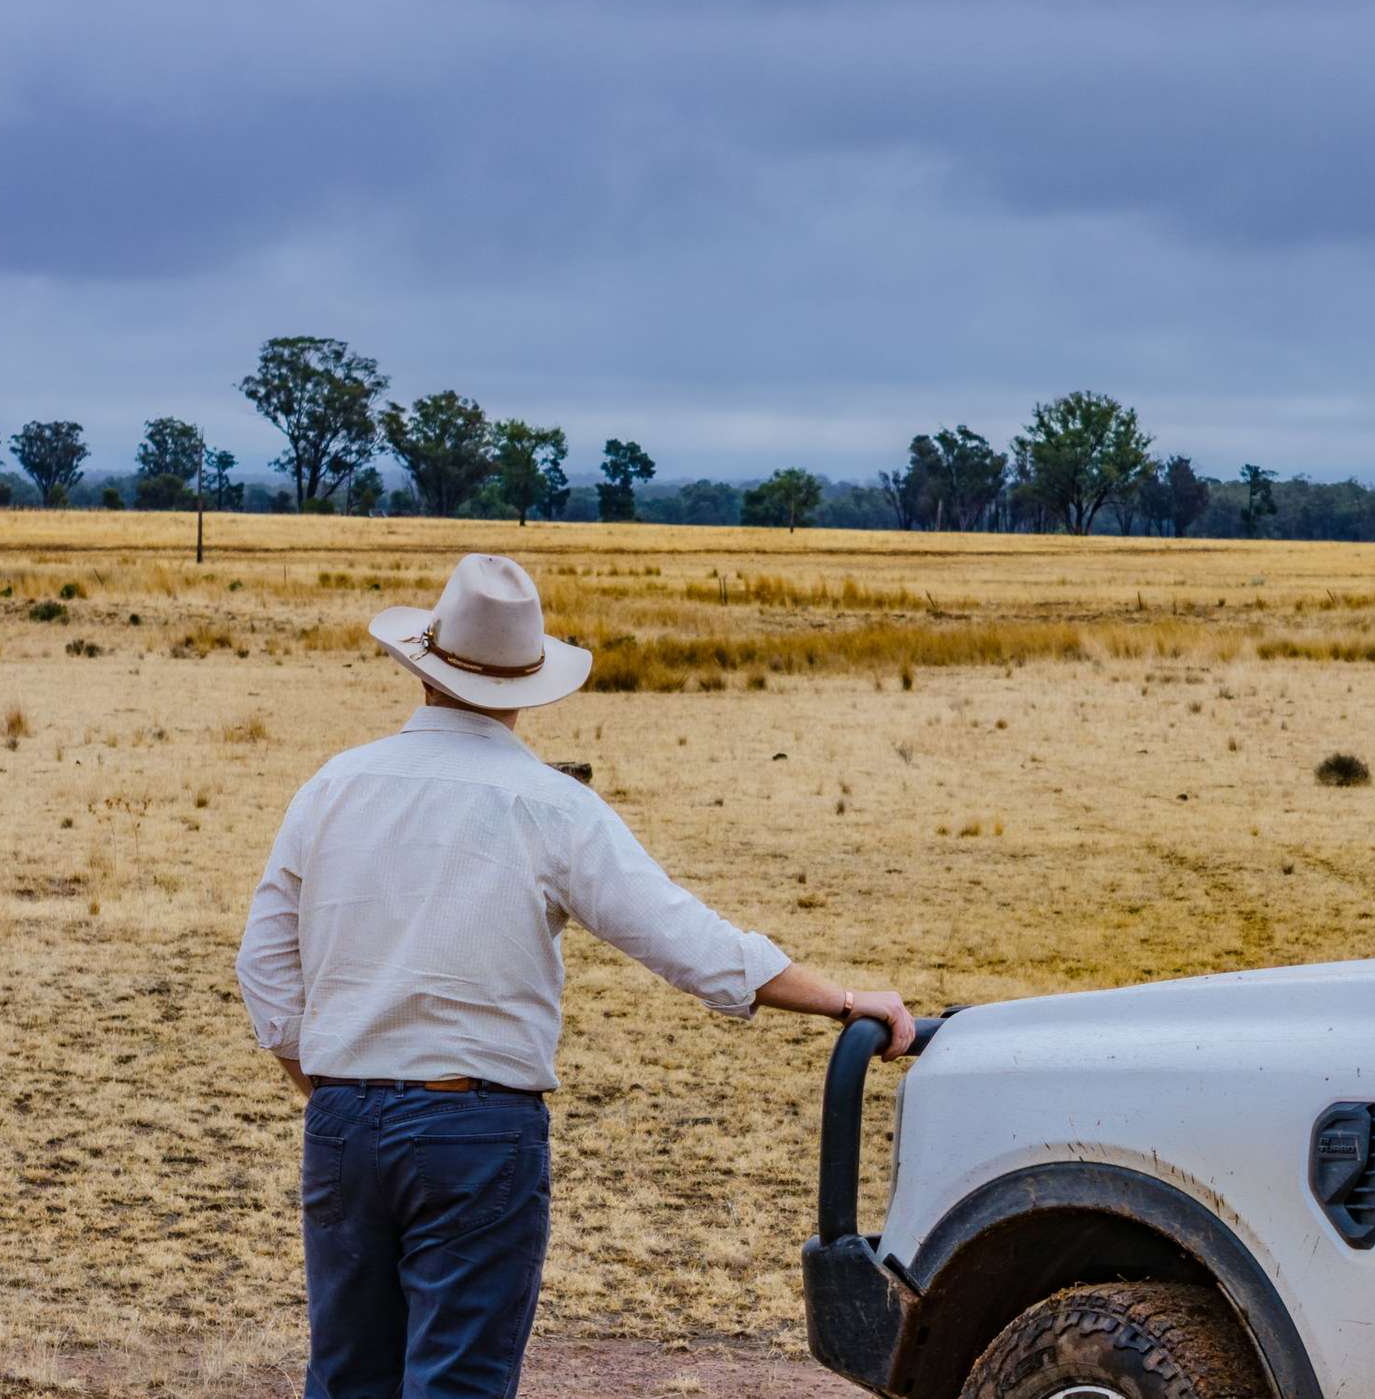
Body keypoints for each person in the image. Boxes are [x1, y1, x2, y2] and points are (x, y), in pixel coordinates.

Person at [235, 552, 914, 1399]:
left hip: (343, 1120)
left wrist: (333, 1086)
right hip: (473, 1126)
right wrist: (844, 1000)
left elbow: (262, 964)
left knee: (345, 1378)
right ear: (525, 683)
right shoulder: (548, 804)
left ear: (425, 666)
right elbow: (687, 940)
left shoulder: (331, 786)